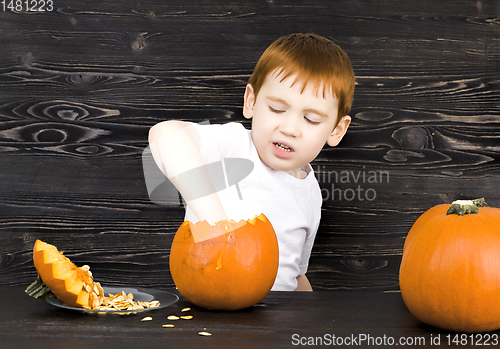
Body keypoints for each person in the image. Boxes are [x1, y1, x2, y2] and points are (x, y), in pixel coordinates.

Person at [148, 33, 355, 291]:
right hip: (209, 312)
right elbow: (165, 135)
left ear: (336, 130)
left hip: (277, 324)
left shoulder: (312, 194)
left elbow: (296, 275)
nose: (290, 128)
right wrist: (217, 225)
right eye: (278, 109)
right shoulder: (234, 145)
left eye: (311, 119)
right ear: (252, 102)